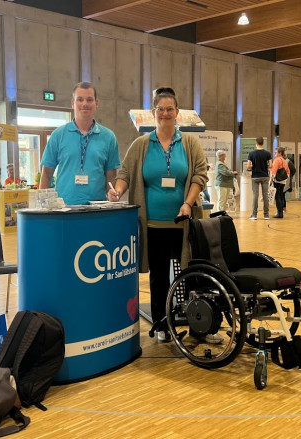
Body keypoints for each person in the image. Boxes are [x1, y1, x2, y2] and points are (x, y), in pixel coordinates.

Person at [108, 87, 208, 343]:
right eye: (160, 109)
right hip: (152, 226)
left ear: (177, 112)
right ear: (153, 112)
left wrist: (187, 203)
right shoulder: (141, 144)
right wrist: (117, 191)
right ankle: (162, 324)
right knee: (159, 277)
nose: (165, 113)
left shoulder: (189, 143)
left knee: (192, 273)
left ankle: (199, 325)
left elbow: (200, 175)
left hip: (184, 223)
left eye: (169, 109)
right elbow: (125, 174)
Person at [39, 82, 121, 205]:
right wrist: (43, 206)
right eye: (80, 99)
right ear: (73, 103)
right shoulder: (58, 135)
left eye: (89, 100)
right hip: (64, 208)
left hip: (98, 209)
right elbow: (46, 173)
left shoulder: (109, 137)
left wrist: (112, 197)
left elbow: (111, 176)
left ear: (96, 103)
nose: (85, 104)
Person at [246, 138, 272, 220]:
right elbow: (271, 165)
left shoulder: (251, 153)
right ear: (263, 143)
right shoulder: (267, 153)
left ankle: (254, 215)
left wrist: (254, 168)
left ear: (256, 143)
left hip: (255, 176)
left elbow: (248, 166)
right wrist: (265, 167)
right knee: (265, 195)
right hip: (265, 176)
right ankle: (266, 215)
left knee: (255, 195)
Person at [270, 147, 290, 218]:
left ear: (280, 153)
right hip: (283, 181)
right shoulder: (285, 161)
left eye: (276, 152)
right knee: (281, 196)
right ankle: (281, 211)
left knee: (277, 196)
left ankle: (279, 212)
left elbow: (274, 171)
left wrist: (271, 180)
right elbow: (288, 171)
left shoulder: (277, 160)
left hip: (277, 180)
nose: (274, 153)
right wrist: (285, 178)